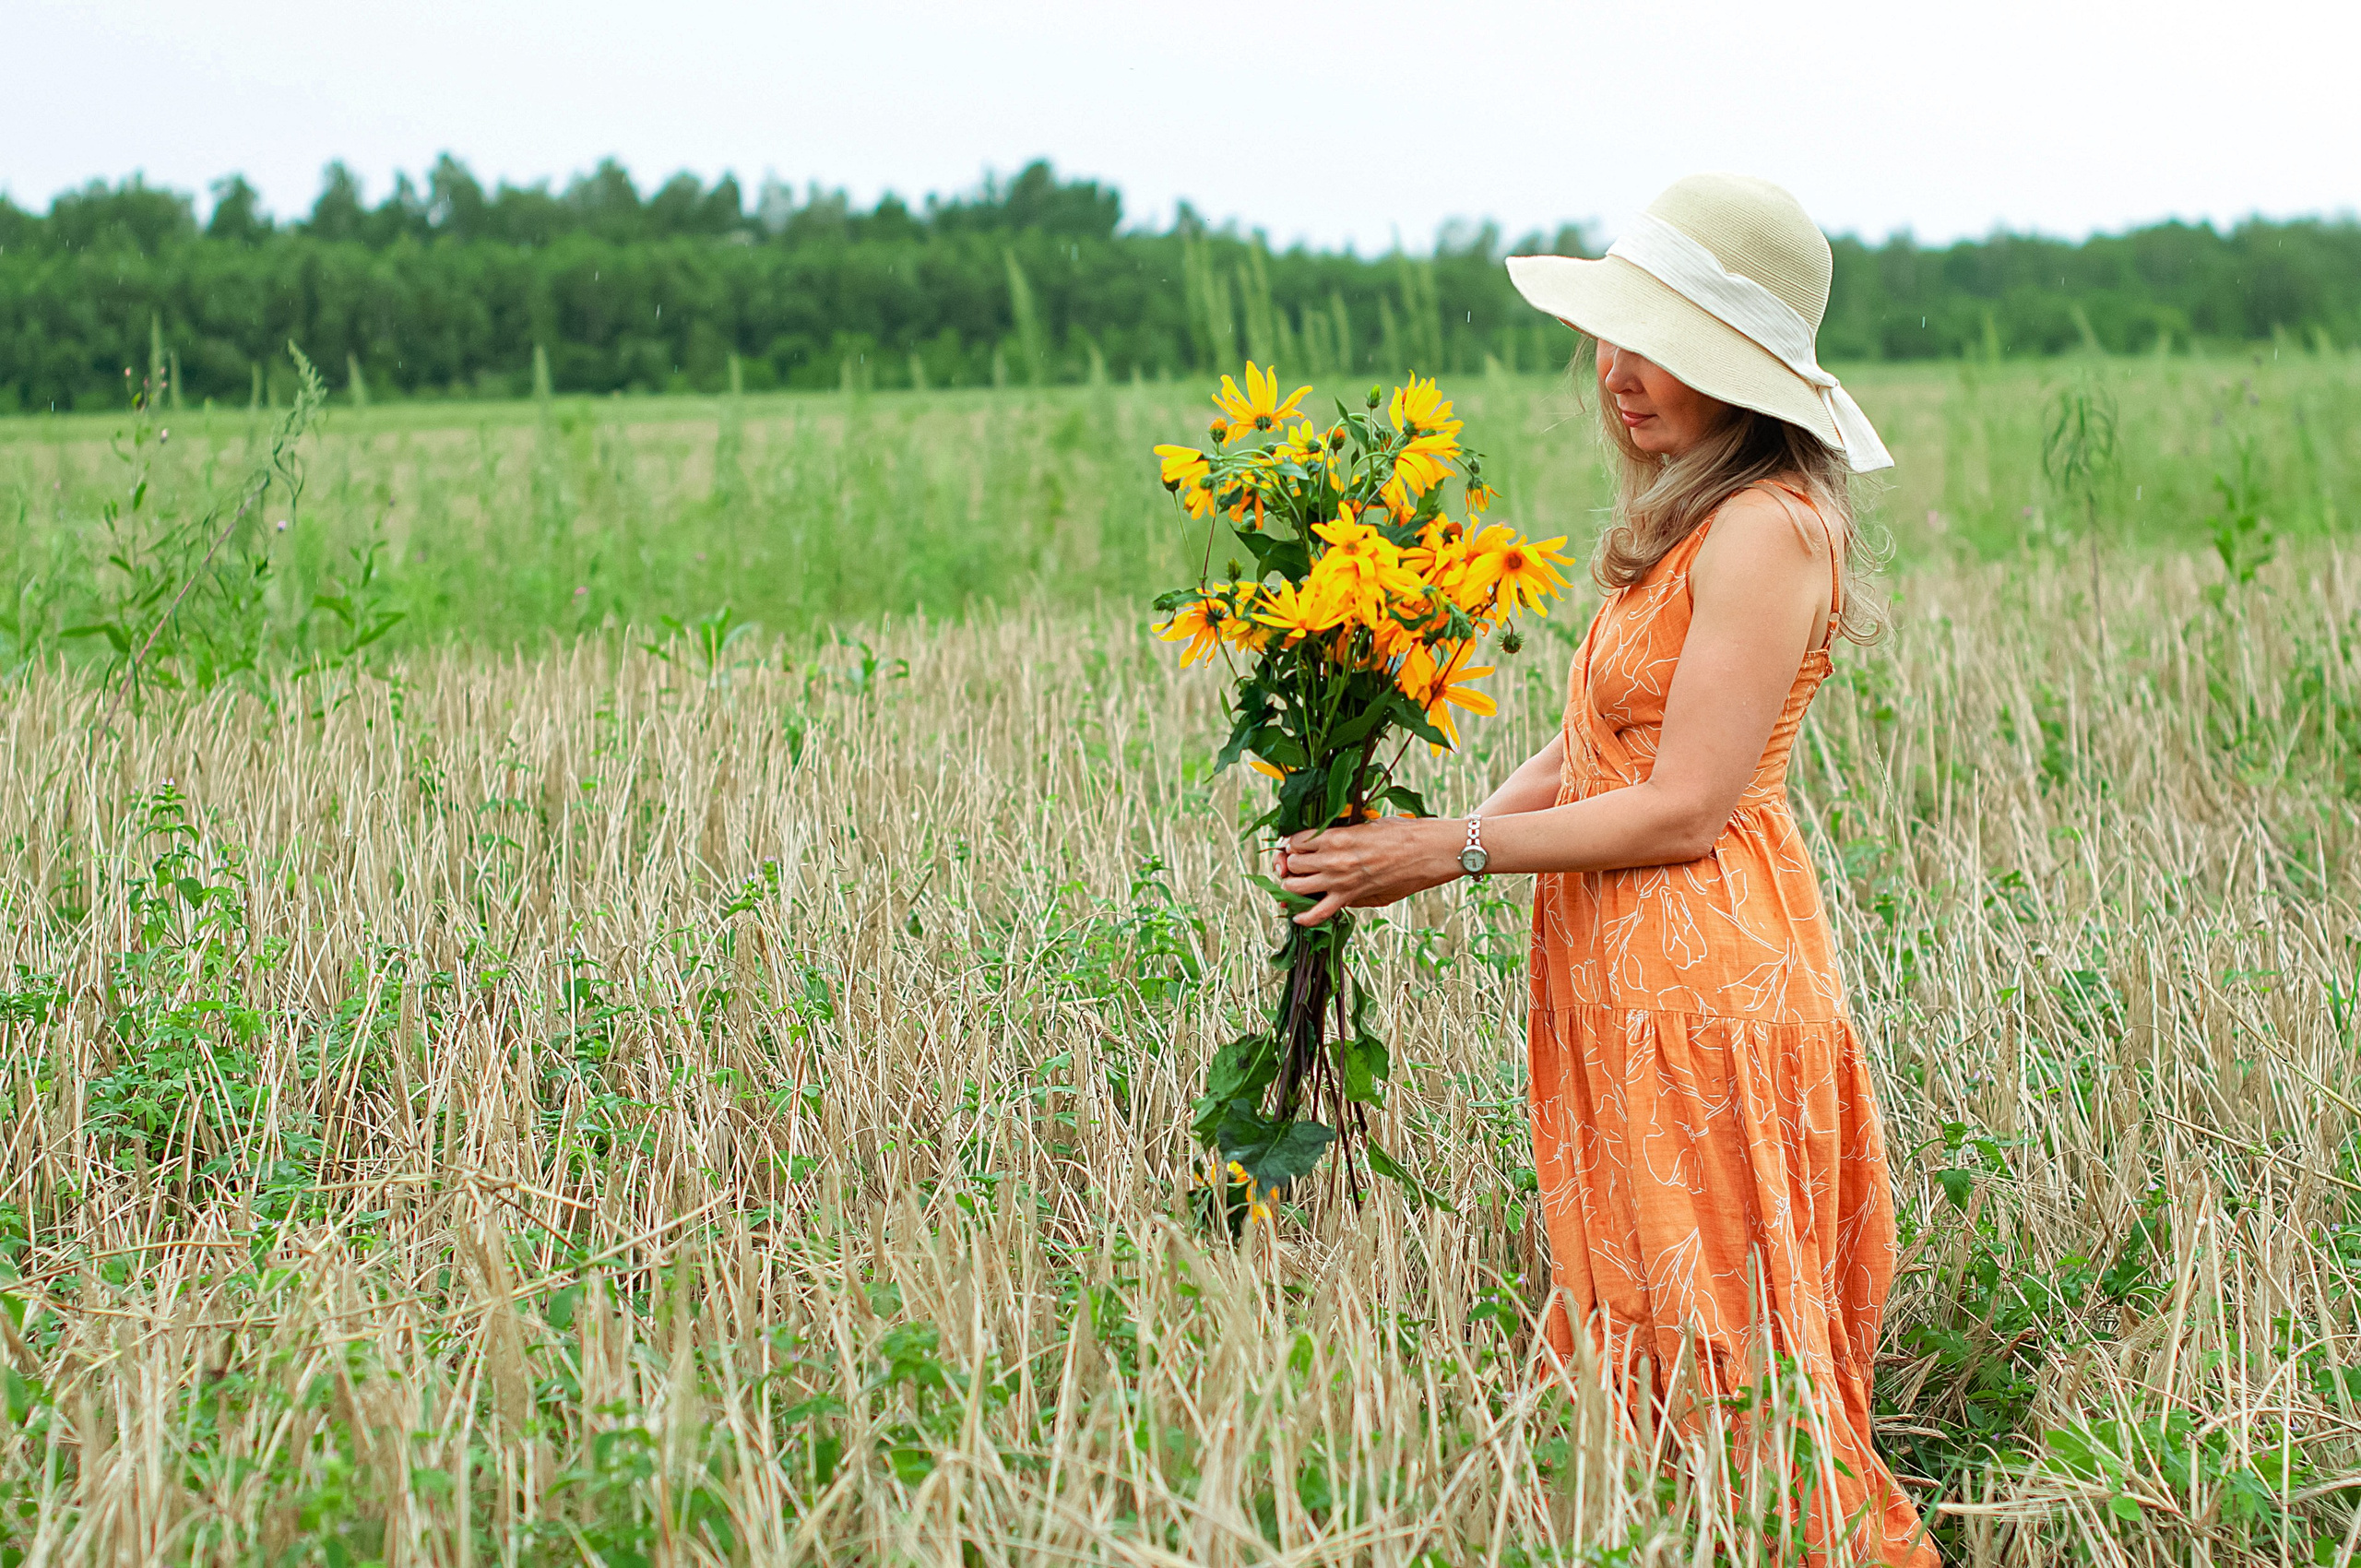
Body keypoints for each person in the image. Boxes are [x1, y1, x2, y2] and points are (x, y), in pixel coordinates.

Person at [1274, 173, 1934, 1565]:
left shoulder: (1765, 528)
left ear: (1744, 375)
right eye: (1613, 335)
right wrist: (1422, 835)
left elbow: (1683, 807)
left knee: (1726, 1367)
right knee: (1640, 1333)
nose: (1619, 373)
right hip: (1621, 983)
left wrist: (1450, 851)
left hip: (1700, 990)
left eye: (1661, 343)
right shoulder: (1694, 521)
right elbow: (1594, 753)